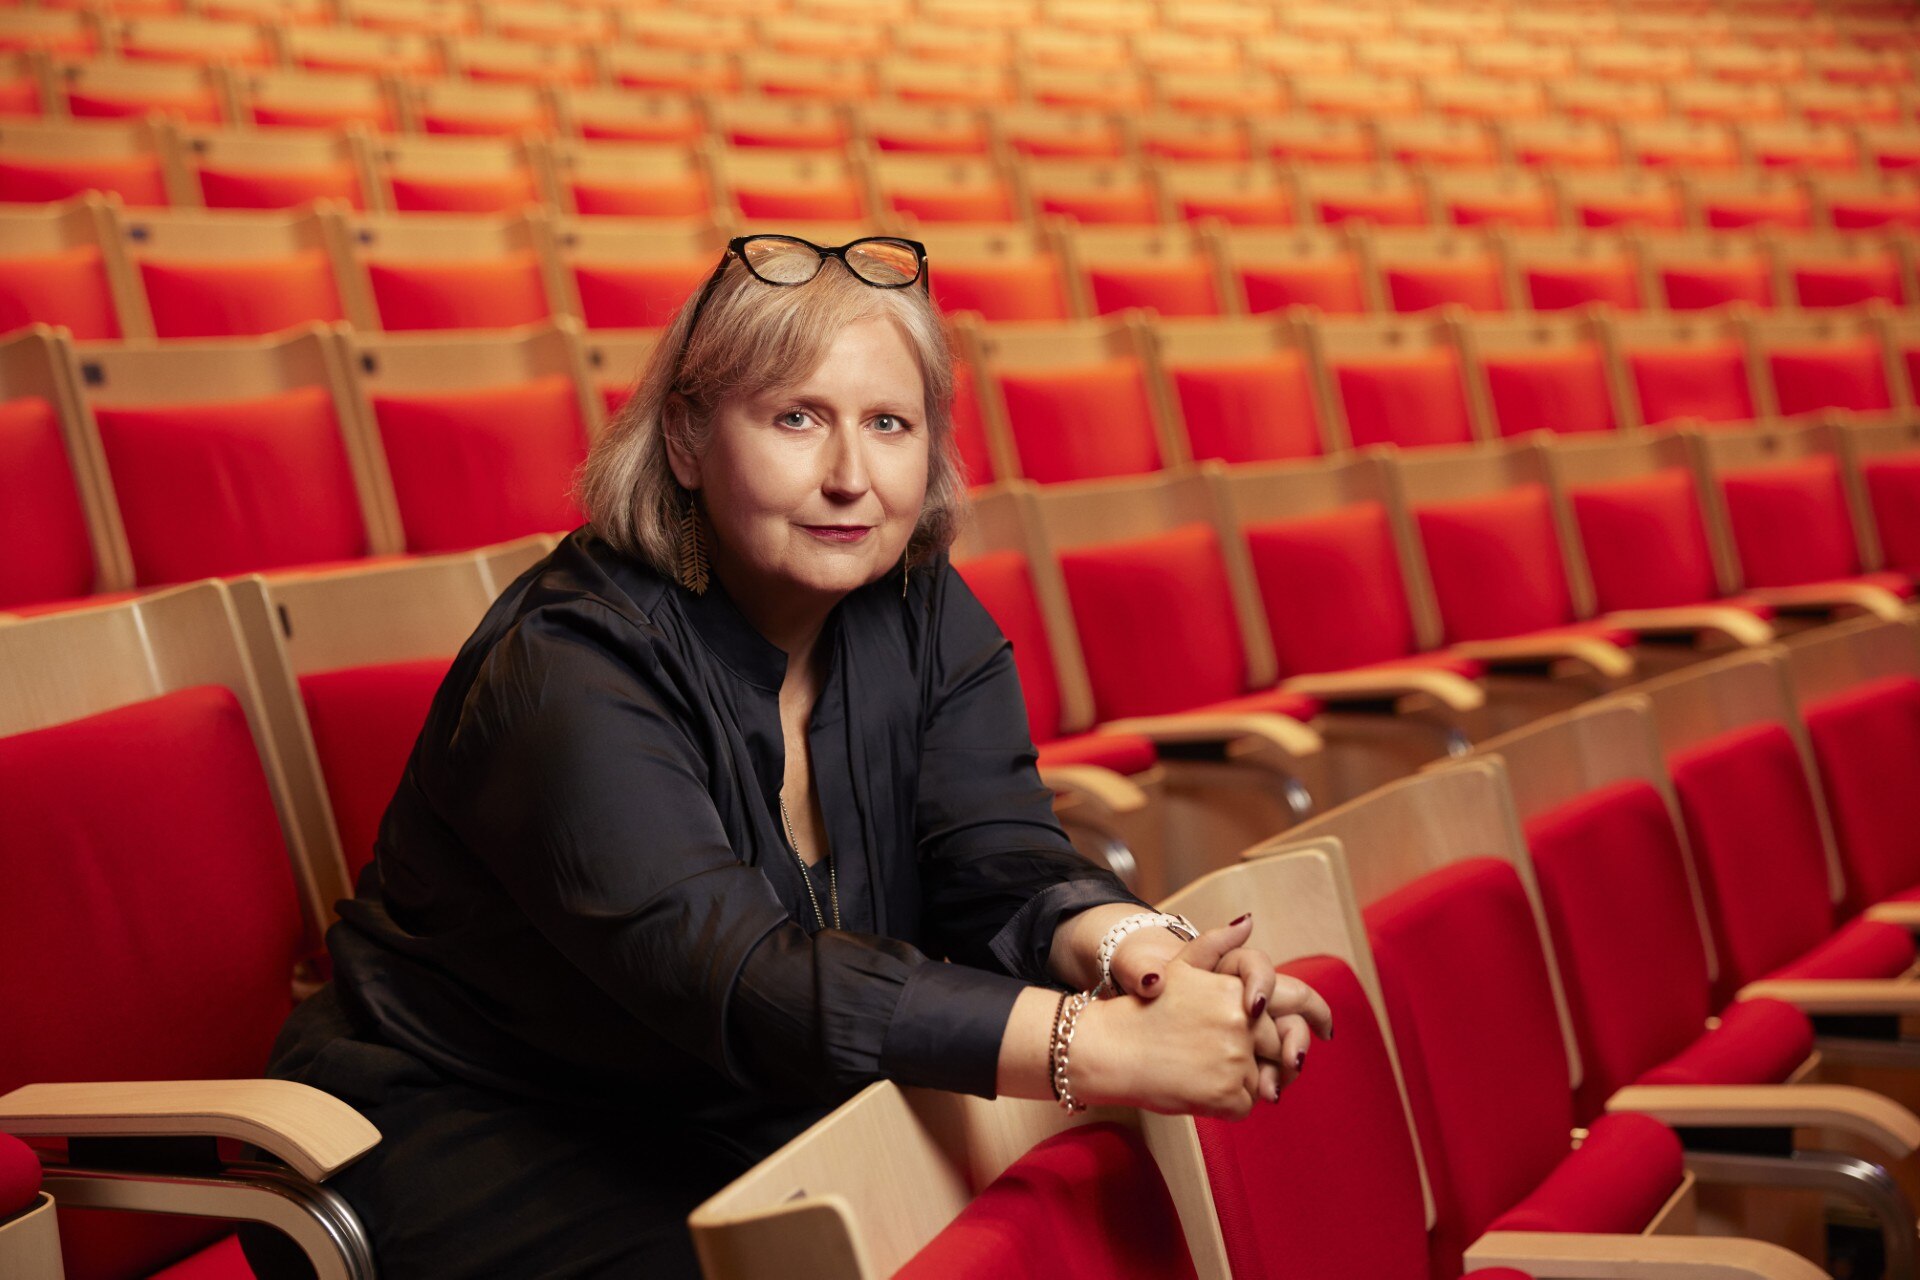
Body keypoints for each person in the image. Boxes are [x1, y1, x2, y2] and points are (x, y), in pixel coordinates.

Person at [246, 233, 1332, 1279]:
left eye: (891, 424)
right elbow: (735, 974)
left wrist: (1146, 959)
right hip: (478, 1121)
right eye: (798, 418)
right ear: (684, 437)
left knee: (1021, 1192)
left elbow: (998, 855)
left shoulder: (916, 603)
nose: (852, 475)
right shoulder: (567, 666)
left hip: (733, 1098)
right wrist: (1099, 1048)